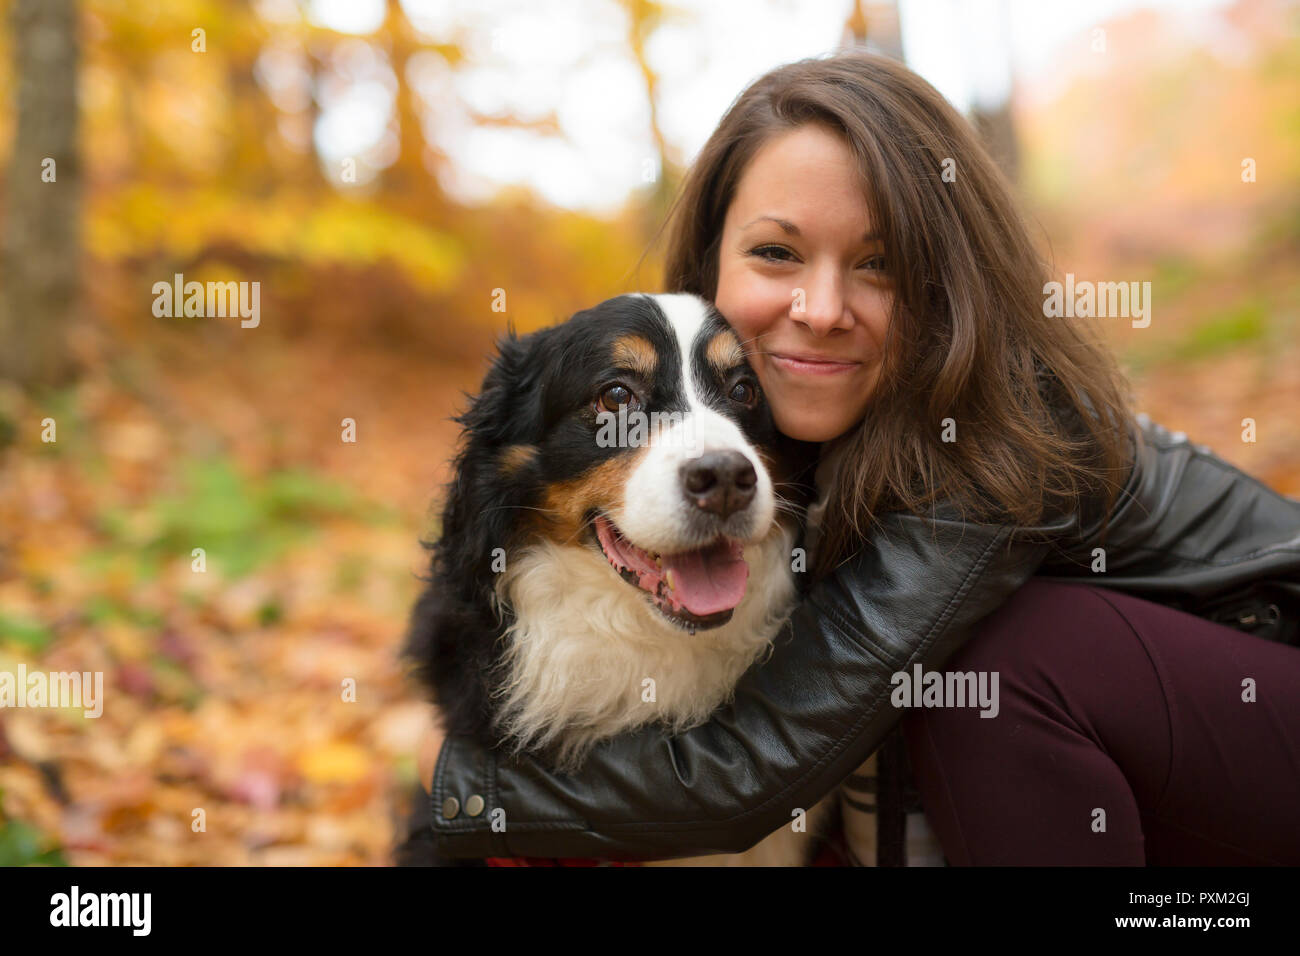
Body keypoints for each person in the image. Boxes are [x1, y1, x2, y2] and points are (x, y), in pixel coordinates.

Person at [413, 50, 1300, 865]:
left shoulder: (994, 443)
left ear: (947, 287)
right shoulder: (769, 421)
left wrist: (454, 781)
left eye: (878, 265)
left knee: (1002, 664)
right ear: (709, 261)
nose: (823, 307)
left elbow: (759, 770)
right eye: (776, 252)